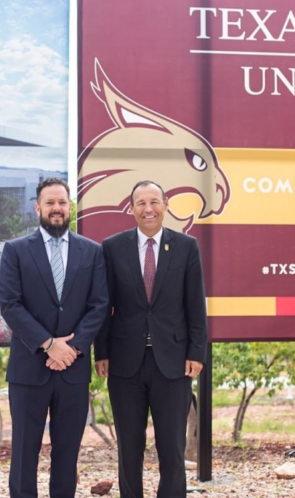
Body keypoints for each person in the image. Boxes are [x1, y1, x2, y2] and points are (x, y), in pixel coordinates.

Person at [94, 180, 208, 498]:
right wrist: (101, 351)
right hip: (124, 363)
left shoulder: (186, 247)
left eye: (154, 202)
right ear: (131, 209)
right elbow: (104, 304)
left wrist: (196, 352)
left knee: (171, 447)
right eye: (141, 203)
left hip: (172, 363)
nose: (148, 209)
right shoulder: (112, 247)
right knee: (130, 448)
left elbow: (195, 305)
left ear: (166, 205)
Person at [0, 177, 109, 498]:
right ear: (38, 208)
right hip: (28, 369)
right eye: (50, 203)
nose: (57, 208)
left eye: (62, 202)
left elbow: (99, 305)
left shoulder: (92, 252)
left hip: (72, 369)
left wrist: (72, 348)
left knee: (67, 453)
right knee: (24, 454)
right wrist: (49, 344)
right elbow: (10, 304)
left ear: (70, 206)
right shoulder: (16, 251)